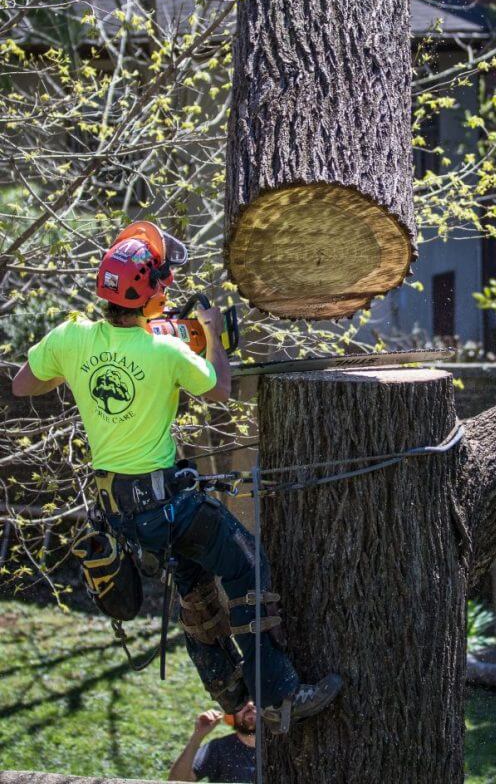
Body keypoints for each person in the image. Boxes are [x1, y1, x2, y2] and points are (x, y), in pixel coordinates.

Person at [12, 220, 341, 733]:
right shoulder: (166, 353)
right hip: (170, 506)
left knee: (194, 588)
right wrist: (210, 336)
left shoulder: (71, 337)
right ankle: (279, 694)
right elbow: (218, 389)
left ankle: (233, 695)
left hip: (122, 516)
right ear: (149, 293)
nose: (168, 291)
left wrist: (79, 366)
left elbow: (24, 383)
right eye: (162, 285)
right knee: (246, 568)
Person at [169, 703, 257, 783]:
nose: (250, 705)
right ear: (231, 715)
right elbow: (177, 781)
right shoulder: (219, 748)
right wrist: (197, 736)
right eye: (243, 702)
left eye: (255, 701)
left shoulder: (271, 750)